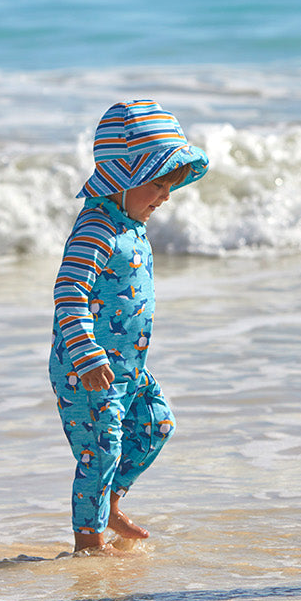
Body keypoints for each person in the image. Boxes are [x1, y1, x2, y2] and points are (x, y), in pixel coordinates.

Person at [49, 99, 209, 555]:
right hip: (87, 368)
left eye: (170, 186)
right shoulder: (96, 229)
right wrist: (87, 352)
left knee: (157, 424)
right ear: (123, 177)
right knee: (98, 453)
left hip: (128, 365)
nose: (165, 196)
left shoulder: (130, 223)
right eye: (158, 184)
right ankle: (89, 546)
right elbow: (68, 293)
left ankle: (111, 504)